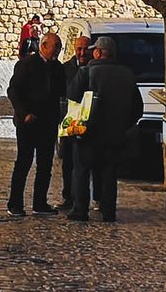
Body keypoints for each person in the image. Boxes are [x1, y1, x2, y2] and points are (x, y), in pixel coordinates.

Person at [65, 34, 143, 223]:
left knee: (82, 171)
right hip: (114, 134)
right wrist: (123, 125)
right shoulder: (127, 74)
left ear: (98, 52)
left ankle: (80, 210)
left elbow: (72, 96)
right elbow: (137, 108)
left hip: (88, 134)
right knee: (109, 174)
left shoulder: (87, 72)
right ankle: (109, 212)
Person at [6, 30, 64, 216]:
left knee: (45, 165)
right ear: (43, 46)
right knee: (23, 162)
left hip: (48, 123)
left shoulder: (58, 68)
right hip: (28, 123)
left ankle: (40, 203)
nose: (56, 51)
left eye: (59, 47)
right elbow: (14, 91)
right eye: (54, 47)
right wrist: (24, 114)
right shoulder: (27, 65)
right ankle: (15, 204)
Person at [58, 33, 94, 209]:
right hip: (69, 124)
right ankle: (69, 197)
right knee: (68, 163)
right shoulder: (65, 69)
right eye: (79, 49)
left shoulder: (95, 70)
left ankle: (88, 199)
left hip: (89, 125)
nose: (82, 53)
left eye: (85, 49)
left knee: (89, 163)